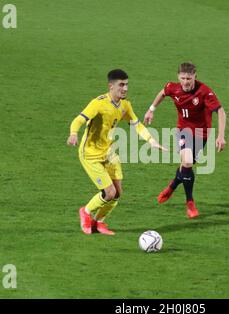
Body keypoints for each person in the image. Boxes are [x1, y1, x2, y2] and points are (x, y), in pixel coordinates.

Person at [67, 69, 166, 235]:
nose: (125, 88)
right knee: (109, 192)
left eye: (127, 84)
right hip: (91, 154)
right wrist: (73, 133)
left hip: (109, 152)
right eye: (121, 85)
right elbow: (79, 120)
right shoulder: (98, 103)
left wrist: (151, 140)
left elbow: (137, 125)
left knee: (118, 192)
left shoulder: (125, 105)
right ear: (110, 86)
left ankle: (98, 222)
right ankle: (85, 211)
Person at [143, 62, 227, 219]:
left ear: (195, 76)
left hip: (201, 134)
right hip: (183, 131)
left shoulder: (205, 92)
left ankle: (173, 185)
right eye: (183, 78)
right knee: (187, 162)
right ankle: (190, 202)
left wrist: (221, 136)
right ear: (178, 77)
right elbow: (162, 93)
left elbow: (221, 112)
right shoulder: (172, 87)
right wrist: (151, 110)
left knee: (185, 166)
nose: (186, 82)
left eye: (189, 78)